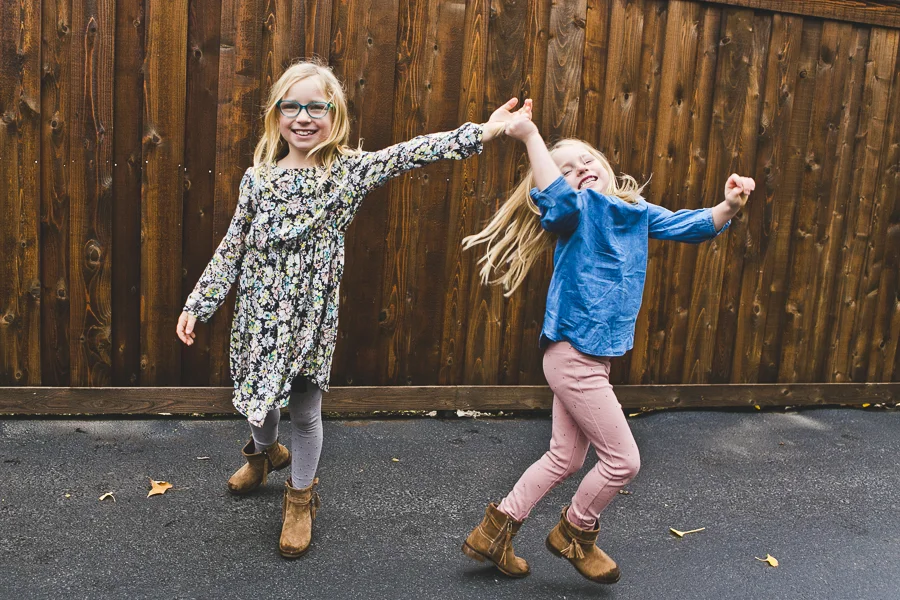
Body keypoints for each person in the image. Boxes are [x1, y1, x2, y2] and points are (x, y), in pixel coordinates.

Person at [176, 59, 523, 558]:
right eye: (290, 106)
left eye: (315, 105)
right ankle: (264, 453)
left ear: (334, 114)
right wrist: (199, 303)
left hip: (311, 320)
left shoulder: (347, 174)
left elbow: (411, 153)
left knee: (305, 409)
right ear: (276, 116)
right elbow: (233, 247)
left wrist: (485, 132)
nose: (303, 116)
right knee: (261, 405)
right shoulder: (257, 180)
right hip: (259, 318)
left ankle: (300, 499)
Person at [460, 99, 754, 583]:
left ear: (605, 164)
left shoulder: (633, 212)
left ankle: (493, 533)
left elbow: (690, 225)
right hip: (572, 355)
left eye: (586, 161)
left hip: (590, 359)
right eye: (566, 169)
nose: (579, 171)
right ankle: (575, 532)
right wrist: (531, 137)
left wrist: (728, 205)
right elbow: (555, 196)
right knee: (622, 461)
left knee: (566, 456)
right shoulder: (574, 211)